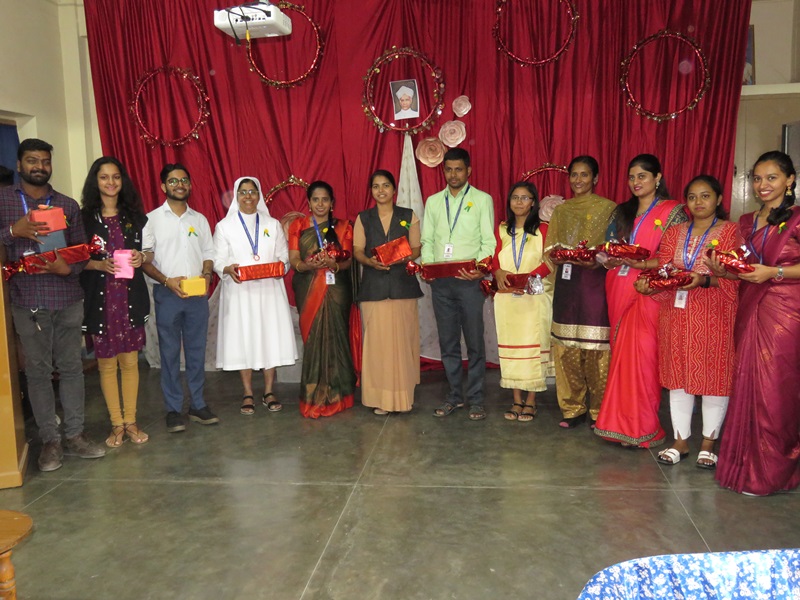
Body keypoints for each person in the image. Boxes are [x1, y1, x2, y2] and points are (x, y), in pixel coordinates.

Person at [0, 138, 105, 471]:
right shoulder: (3, 200)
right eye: (32, 160)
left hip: (67, 297)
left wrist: (67, 268)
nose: (39, 166)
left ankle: (75, 435)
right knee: (38, 372)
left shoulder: (67, 204)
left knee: (72, 368)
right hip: (27, 300)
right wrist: (12, 231)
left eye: (45, 161)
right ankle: (50, 441)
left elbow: (82, 251)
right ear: (19, 165)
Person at [633, 175, 740, 467]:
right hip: (676, 314)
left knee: (714, 377)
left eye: (705, 196)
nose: (698, 202)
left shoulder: (731, 232)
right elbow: (665, 267)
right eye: (692, 197)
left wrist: (704, 280)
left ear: (719, 199)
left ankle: (708, 444)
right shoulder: (675, 231)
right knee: (678, 376)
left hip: (714, 313)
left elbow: (737, 276)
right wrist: (650, 284)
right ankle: (680, 441)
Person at [710, 151, 800, 495]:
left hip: (785, 313)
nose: (763, 185)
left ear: (789, 180)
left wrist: (774, 272)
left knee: (775, 391)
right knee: (747, 384)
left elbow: (770, 269)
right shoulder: (746, 221)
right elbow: (746, 268)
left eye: (771, 177)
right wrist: (723, 270)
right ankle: (744, 466)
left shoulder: (797, 219)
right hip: (749, 308)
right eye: (757, 178)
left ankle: (774, 472)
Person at [594, 154, 688, 448]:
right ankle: (618, 425)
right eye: (632, 177)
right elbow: (607, 249)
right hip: (618, 285)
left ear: (657, 177)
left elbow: (678, 256)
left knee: (644, 359)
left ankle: (642, 427)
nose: (636, 182)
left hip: (651, 290)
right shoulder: (621, 211)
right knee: (621, 358)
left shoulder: (674, 212)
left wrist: (644, 266)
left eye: (642, 176)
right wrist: (607, 259)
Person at [141, 164, 218, 433]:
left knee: (197, 351)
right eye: (173, 181)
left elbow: (209, 252)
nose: (179, 184)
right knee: (170, 352)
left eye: (184, 180)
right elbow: (145, 259)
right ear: (164, 186)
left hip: (197, 293)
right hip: (167, 292)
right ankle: (173, 409)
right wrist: (166, 281)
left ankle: (198, 404)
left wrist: (207, 274)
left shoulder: (199, 219)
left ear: (190, 185)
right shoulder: (151, 220)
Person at [421, 147, 496, 420]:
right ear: (444, 171)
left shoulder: (482, 200)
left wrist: (479, 270)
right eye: (449, 169)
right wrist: (428, 267)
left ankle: (476, 399)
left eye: (459, 169)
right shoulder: (433, 202)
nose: (453, 175)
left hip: (470, 283)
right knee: (448, 342)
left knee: (475, 342)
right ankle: (454, 396)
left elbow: (488, 241)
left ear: (468, 171)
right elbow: (427, 240)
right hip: (441, 284)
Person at [80, 157, 150, 447]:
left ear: (123, 181)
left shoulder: (135, 217)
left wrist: (141, 256)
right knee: (107, 365)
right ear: (95, 182)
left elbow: (149, 250)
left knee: (130, 362)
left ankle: (131, 422)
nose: (111, 182)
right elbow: (73, 257)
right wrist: (98, 264)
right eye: (104, 177)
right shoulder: (83, 219)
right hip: (100, 300)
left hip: (129, 297)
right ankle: (116, 425)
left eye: (116, 177)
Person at [213, 177, 297, 414]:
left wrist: (281, 267)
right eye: (243, 192)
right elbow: (218, 259)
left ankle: (269, 391)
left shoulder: (272, 224)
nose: (248, 196)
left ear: (259, 196)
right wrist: (227, 269)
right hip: (240, 292)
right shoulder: (224, 226)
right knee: (244, 338)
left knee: (269, 338)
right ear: (236, 196)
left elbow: (284, 255)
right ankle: (248, 392)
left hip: (269, 291)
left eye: (252, 192)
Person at [547, 156, 617, 429]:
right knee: (566, 348)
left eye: (584, 175)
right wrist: (559, 255)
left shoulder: (608, 209)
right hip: (567, 284)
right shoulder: (561, 211)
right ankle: (572, 408)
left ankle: (600, 410)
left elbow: (613, 249)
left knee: (596, 348)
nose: (578, 180)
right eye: (574, 175)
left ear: (595, 178)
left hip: (595, 284)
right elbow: (550, 248)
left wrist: (596, 260)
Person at [353, 170, 423, 415]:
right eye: (376, 186)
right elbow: (358, 251)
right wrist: (370, 262)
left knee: (402, 344)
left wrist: (399, 256)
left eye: (385, 185)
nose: (381, 190)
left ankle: (402, 399)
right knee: (378, 346)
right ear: (371, 191)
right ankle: (379, 399)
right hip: (373, 289)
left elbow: (416, 248)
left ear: (394, 190)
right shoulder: (363, 218)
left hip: (403, 288)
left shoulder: (408, 216)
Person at [287, 181, 356, 418]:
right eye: (315, 199)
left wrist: (333, 265)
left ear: (332, 203)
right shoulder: (298, 226)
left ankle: (340, 396)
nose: (320, 204)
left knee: (337, 338)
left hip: (336, 289)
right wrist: (308, 265)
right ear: (308, 203)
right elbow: (294, 259)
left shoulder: (344, 227)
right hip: (308, 288)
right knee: (314, 340)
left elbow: (348, 260)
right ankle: (313, 397)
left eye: (325, 199)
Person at [491, 181, 551, 422]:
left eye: (525, 198)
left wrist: (529, 277)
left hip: (533, 297)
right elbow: (494, 258)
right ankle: (516, 399)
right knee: (511, 347)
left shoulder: (544, 229)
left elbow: (550, 261)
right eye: (515, 197)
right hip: (507, 298)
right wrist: (497, 271)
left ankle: (531, 401)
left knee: (533, 347)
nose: (519, 202)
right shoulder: (502, 229)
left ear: (533, 202)